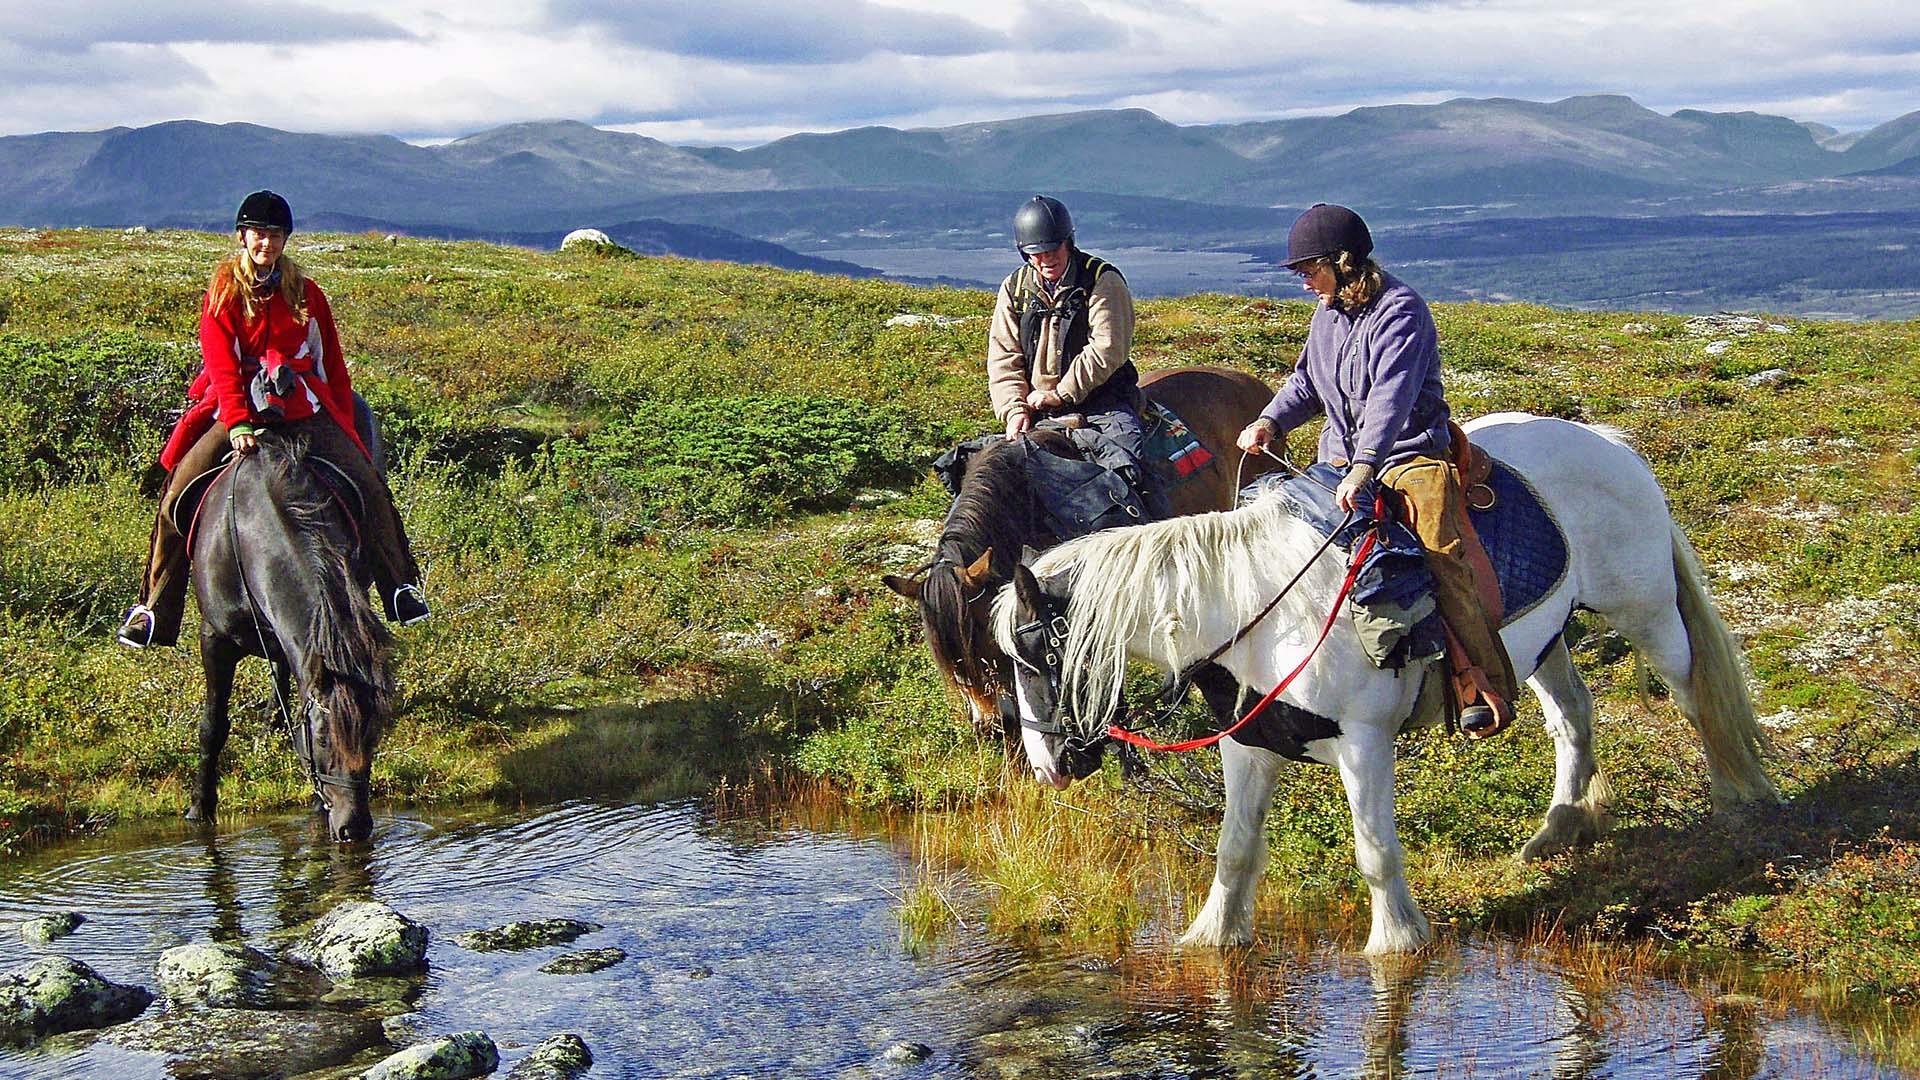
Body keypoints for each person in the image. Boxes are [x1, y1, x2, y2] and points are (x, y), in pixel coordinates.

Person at [1236, 203, 1516, 737]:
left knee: (1439, 551)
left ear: (1344, 263)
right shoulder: (1328, 314)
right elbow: (1307, 383)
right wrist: (1270, 420)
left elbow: (1391, 396)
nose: (1303, 283)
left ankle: (1481, 681)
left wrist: (1365, 466)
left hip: (1409, 455)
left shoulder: (1401, 311)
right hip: (1340, 458)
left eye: (1309, 270)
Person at [117, 190, 428, 648]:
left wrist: (339, 420)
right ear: (242, 236)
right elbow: (221, 362)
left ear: (285, 239)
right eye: (259, 233)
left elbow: (331, 364)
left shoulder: (306, 292)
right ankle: (153, 611)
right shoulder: (223, 291)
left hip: (302, 407)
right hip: (237, 405)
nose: (267, 243)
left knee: (369, 485)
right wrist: (239, 421)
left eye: (276, 235)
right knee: (176, 499)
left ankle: (399, 587)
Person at [985, 194, 1167, 517]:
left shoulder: (1101, 280)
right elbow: (1003, 356)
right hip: (1035, 408)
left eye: (1052, 250)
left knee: (1129, 467)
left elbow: (1107, 347)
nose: (1045, 259)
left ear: (1068, 242)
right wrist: (1014, 410)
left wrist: (1060, 394)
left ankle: (1153, 528)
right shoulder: (1013, 289)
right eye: (1036, 253)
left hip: (1103, 403)